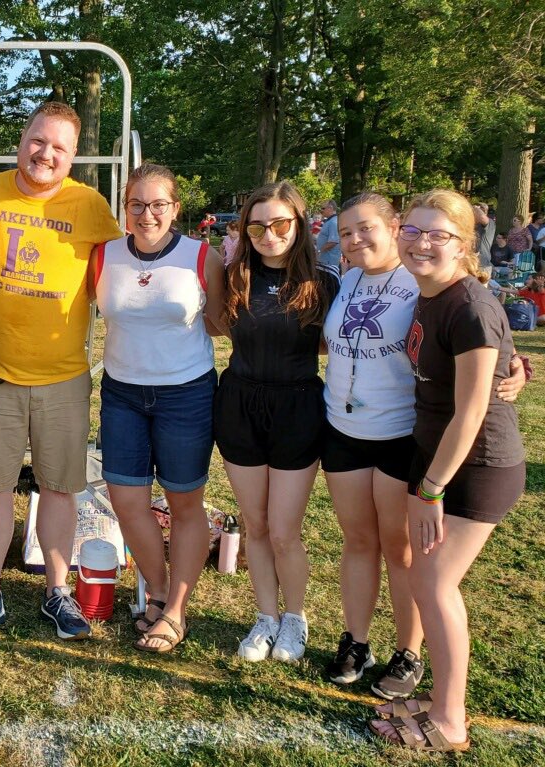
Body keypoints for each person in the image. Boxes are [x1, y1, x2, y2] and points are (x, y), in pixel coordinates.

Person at [321, 193, 526, 696]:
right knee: (357, 541)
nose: (355, 240)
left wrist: (519, 363)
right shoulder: (346, 280)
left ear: (394, 227)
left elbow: (481, 326)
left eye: (366, 228)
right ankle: (356, 640)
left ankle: (408, 652)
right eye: (345, 233)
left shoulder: (419, 280)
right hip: (343, 432)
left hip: (401, 434)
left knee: (401, 551)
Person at [0, 102, 123, 645]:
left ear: (73, 156)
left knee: (59, 489)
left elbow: (130, 264)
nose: (46, 154)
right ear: (22, 140)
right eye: (38, 141)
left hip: (64, 376)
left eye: (59, 148)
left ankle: (58, 593)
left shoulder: (90, 205)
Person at [369, 190, 525, 752]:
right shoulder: (430, 293)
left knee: (435, 585)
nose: (422, 242)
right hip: (435, 460)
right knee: (428, 582)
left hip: (475, 468)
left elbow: (474, 408)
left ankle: (450, 719)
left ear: (464, 245)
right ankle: (439, 701)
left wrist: (430, 490)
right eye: (412, 230)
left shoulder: (468, 305)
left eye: (439, 234)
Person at [91, 163, 225, 652]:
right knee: (126, 501)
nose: (147, 214)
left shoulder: (201, 256)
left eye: (158, 205)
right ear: (124, 207)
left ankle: (175, 610)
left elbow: (222, 321)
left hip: (185, 394)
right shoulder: (104, 255)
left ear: (175, 208)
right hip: (122, 391)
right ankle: (158, 588)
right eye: (136, 204)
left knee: (183, 502)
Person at [213, 181, 339, 663]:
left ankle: (296, 616)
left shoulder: (323, 281)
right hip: (240, 405)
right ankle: (266, 616)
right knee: (256, 524)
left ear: (299, 225)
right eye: (258, 224)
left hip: (298, 408)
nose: (269, 233)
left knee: (285, 530)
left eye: (280, 223)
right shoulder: (233, 275)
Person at [316, 199, 341, 271]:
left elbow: (333, 242)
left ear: (330, 208)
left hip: (329, 261)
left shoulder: (333, 222)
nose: (321, 210)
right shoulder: (330, 221)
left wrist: (319, 251)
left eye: (323, 208)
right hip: (325, 260)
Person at [472, 203, 495, 270]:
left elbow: (482, 217)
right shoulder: (472, 224)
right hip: (471, 264)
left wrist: (475, 208)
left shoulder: (490, 223)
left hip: (483, 265)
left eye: (482, 209)